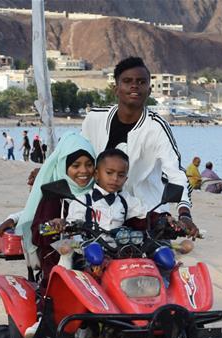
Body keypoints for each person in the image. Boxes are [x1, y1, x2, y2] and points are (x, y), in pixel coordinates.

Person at [80, 56, 198, 236]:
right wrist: (45, 172)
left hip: (147, 214)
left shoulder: (157, 127)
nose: (134, 86)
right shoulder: (94, 118)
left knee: (161, 261)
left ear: (149, 90)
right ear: (116, 89)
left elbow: (175, 173)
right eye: (127, 81)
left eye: (141, 82)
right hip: (100, 211)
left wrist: (184, 213)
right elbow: (76, 156)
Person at [14, 133, 97, 287]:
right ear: (63, 166)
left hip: (97, 260)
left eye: (89, 164)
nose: (84, 171)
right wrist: (54, 226)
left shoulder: (99, 193)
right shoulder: (53, 197)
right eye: (76, 165)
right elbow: (38, 233)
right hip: (58, 263)